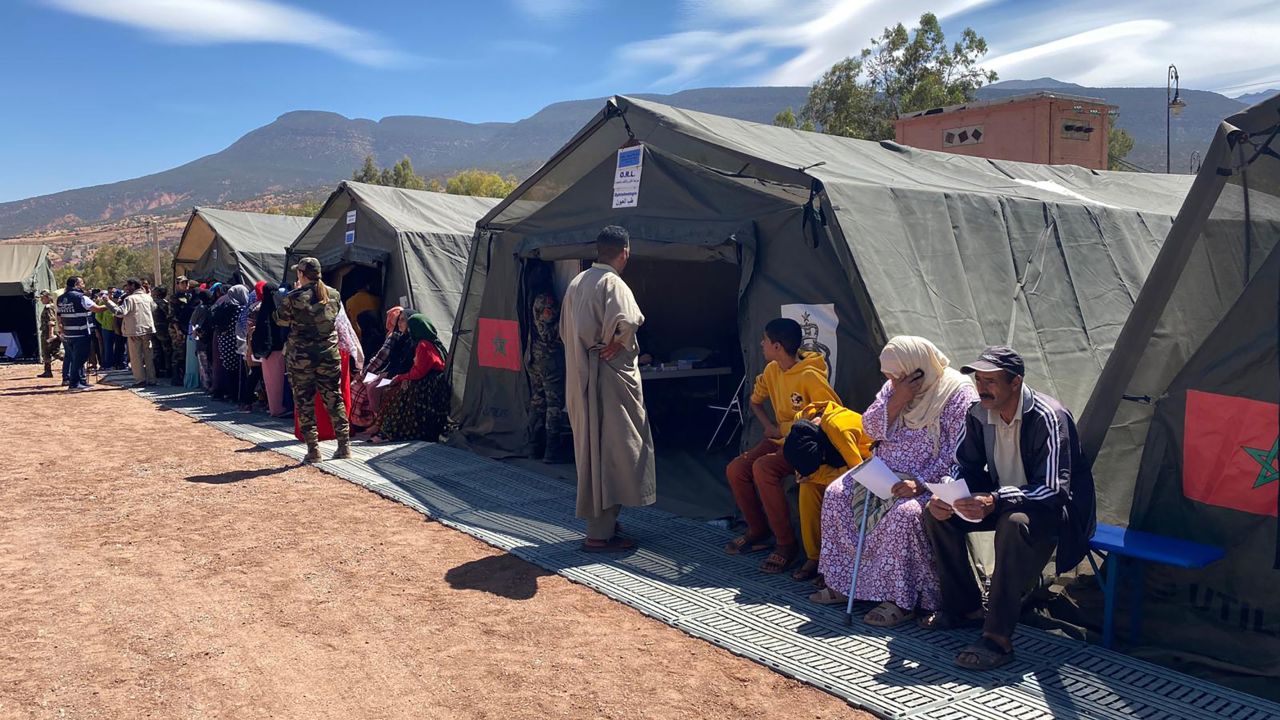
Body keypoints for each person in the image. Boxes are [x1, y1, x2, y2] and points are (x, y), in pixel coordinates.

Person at [920, 346, 1096, 671]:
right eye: (979, 380)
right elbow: (964, 465)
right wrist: (949, 492)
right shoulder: (978, 413)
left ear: (1015, 383)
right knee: (935, 514)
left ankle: (997, 638)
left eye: (991, 381)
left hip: (1051, 510)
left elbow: (1055, 490)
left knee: (1012, 523)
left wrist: (996, 500)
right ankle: (965, 608)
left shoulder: (1048, 417)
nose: (982, 388)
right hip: (1001, 499)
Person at [811, 337, 979, 627]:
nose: (891, 380)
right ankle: (846, 583)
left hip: (926, 478)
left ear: (917, 368)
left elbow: (959, 453)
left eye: (896, 375)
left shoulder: (957, 394)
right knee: (837, 493)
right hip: (884, 471)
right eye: (888, 376)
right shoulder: (897, 387)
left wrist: (922, 483)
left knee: (906, 514)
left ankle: (902, 601)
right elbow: (870, 427)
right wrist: (897, 399)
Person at [560, 225, 655, 552]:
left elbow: (564, 332)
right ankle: (599, 534)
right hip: (608, 381)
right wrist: (617, 343)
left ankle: (604, 525)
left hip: (580, 378)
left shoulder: (577, 282)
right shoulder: (613, 283)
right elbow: (628, 321)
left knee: (591, 451)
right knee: (616, 453)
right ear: (625, 252)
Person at [724, 317, 840, 574]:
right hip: (777, 439)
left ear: (777, 346)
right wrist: (769, 425)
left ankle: (786, 545)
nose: (761, 344)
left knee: (764, 468)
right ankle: (757, 530)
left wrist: (787, 429)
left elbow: (829, 415)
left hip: (801, 443)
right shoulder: (772, 370)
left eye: (765, 340)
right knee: (736, 469)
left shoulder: (810, 375)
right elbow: (756, 401)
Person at [781, 400, 873, 582]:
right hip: (836, 461)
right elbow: (799, 453)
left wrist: (819, 476)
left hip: (866, 463)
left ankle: (837, 565)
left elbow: (860, 475)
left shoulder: (840, 430)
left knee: (837, 494)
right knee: (807, 487)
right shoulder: (801, 421)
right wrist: (803, 473)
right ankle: (814, 557)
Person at [275, 257, 351, 463]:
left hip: (302, 358)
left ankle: (313, 450)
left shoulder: (295, 297)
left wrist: (294, 293)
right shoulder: (334, 295)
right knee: (334, 398)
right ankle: (344, 445)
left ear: (301, 273)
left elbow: (280, 319)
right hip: (328, 355)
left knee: (305, 401)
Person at [369, 313, 450, 442]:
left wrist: (400, 378)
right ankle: (382, 429)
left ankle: (391, 432)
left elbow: (418, 372)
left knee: (397, 396)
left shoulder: (423, 345)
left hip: (427, 384)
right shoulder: (430, 342)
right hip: (427, 380)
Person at [526, 261, 570, 464]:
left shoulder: (529, 296)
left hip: (534, 357)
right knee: (553, 404)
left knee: (538, 401)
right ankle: (551, 451)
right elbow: (548, 334)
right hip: (549, 358)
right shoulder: (546, 300)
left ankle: (534, 446)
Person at [350, 307, 406, 431]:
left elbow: (380, 358)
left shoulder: (394, 336)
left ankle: (366, 421)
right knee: (359, 386)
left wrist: (363, 373)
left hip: (388, 373)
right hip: (383, 371)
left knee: (359, 386)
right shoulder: (389, 334)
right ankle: (361, 420)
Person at [56, 276, 110, 391]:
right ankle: (74, 384)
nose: (83, 285)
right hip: (80, 332)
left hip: (68, 333)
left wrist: (62, 330)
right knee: (79, 359)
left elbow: (59, 316)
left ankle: (81, 381)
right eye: (81, 283)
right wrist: (111, 305)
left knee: (75, 358)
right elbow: (98, 309)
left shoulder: (60, 298)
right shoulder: (81, 297)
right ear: (76, 284)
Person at [104, 278, 157, 388]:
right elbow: (154, 308)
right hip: (148, 329)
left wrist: (108, 302)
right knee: (148, 355)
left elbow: (120, 312)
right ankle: (152, 379)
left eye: (128, 286)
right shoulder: (148, 297)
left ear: (133, 286)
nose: (126, 288)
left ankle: (140, 380)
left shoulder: (130, 299)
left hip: (134, 330)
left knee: (136, 357)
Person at [250, 282, 289, 416]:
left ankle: (273, 408)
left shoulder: (262, 310)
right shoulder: (277, 309)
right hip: (277, 349)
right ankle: (279, 408)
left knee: (270, 382)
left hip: (266, 352)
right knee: (278, 381)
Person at [37, 290, 63, 379]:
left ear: (48, 297)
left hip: (48, 333)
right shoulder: (52, 307)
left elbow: (51, 321)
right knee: (47, 352)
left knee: (55, 352)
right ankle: (47, 371)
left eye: (42, 298)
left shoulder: (49, 308)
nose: (41, 300)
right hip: (47, 332)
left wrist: (50, 334)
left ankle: (70, 360)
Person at [151, 286, 172, 380]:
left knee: (156, 350)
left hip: (153, 328)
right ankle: (168, 370)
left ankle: (157, 370)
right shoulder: (163, 303)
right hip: (162, 329)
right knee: (167, 349)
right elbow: (169, 315)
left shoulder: (151, 303)